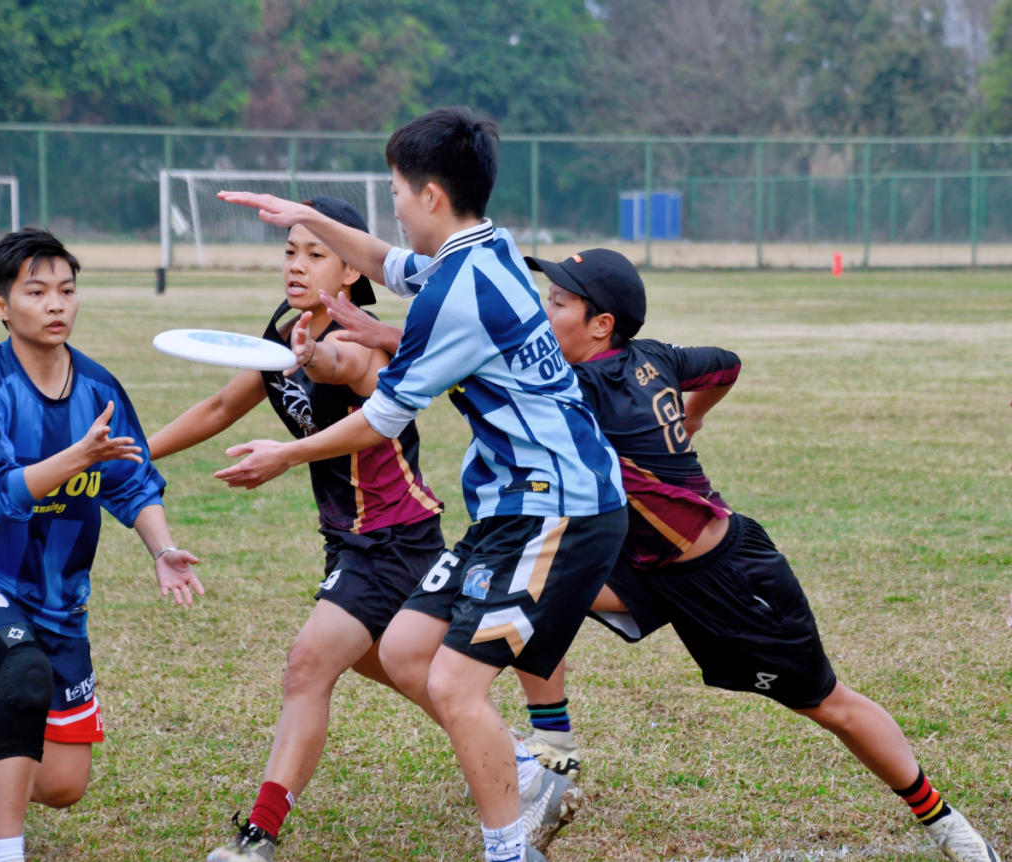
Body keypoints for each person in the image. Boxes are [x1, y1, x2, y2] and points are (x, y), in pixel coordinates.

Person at [215, 107, 628, 862]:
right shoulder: (486, 246)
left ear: (431, 196)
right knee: (407, 650)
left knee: (454, 686)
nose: (395, 208)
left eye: (397, 192)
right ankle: (526, 770)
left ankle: (510, 849)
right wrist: (306, 215)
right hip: (512, 504)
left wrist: (286, 454)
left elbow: (378, 419)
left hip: (559, 504)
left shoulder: (454, 292)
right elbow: (383, 262)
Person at [510, 248, 998, 862]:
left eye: (557, 303)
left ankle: (944, 823)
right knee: (524, 590)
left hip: (727, 578)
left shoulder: (584, 388)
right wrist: (692, 417)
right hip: (640, 565)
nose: (543, 311)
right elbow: (726, 365)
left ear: (602, 325)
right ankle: (553, 754)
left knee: (829, 705)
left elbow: (494, 374)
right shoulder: (652, 356)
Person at [146, 197, 450, 862]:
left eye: (316, 254)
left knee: (308, 666)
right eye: (290, 252)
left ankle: (258, 836)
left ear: (351, 271)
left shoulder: (355, 343)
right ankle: (510, 755)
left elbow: (336, 365)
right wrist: (133, 455)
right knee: (399, 667)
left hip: (394, 537)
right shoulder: (283, 333)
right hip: (353, 539)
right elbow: (221, 406)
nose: (296, 265)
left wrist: (311, 357)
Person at [0, 228, 203, 862]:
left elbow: (134, 481)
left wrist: (161, 549)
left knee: (62, 784)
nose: (56, 303)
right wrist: (76, 457)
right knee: (23, 674)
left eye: (67, 290)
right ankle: (7, 853)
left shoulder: (98, 389)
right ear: (1, 306)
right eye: (36, 292)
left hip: (59, 604)